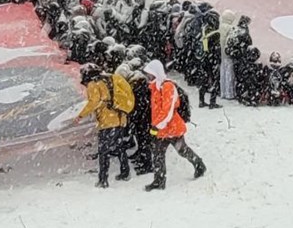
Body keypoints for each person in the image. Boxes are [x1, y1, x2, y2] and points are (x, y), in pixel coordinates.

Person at [141, 60, 205, 191]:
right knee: (158, 154)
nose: (148, 77)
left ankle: (199, 164)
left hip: (171, 127)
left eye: (150, 74)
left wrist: (158, 125)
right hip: (162, 129)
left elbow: (168, 109)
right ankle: (159, 181)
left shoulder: (167, 86)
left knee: (182, 150)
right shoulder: (155, 87)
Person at [74, 64, 132, 187]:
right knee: (119, 147)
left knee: (103, 152)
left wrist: (81, 115)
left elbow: (94, 102)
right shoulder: (109, 78)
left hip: (107, 121)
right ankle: (125, 172)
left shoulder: (93, 84)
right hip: (120, 117)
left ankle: (103, 180)